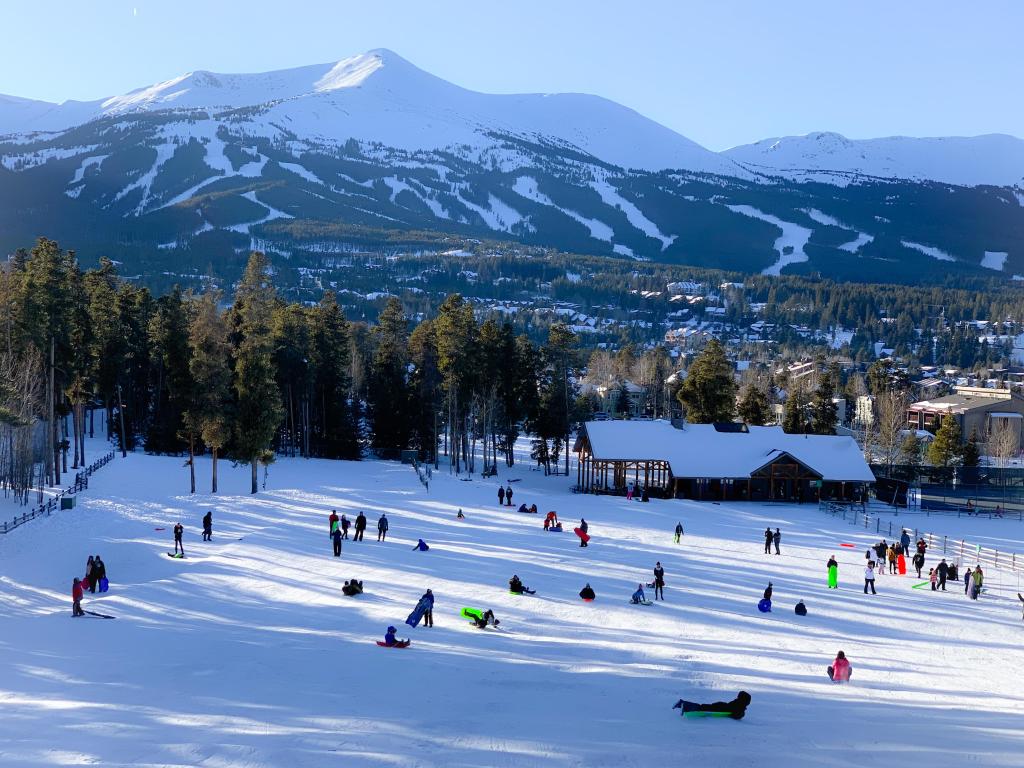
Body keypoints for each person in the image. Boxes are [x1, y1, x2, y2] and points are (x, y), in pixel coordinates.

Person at [672, 691, 751, 720]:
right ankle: (685, 706)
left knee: (701, 706)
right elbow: (736, 715)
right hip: (720, 709)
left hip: (720, 705)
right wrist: (742, 713)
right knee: (701, 708)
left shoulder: (737, 702)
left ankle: (682, 703)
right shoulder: (740, 707)